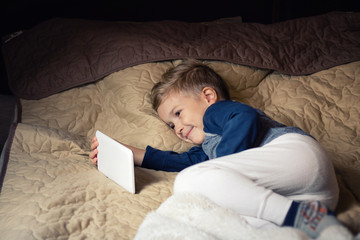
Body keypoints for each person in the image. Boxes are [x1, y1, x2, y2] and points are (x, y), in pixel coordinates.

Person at [90, 59, 345, 238]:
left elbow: (245, 117)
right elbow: (177, 162)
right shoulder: (208, 148)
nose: (177, 128)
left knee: (188, 184)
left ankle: (304, 219)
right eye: (170, 125)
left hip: (296, 154)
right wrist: (131, 154)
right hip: (313, 197)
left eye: (178, 114)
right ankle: (315, 226)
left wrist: (217, 163)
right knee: (239, 218)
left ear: (208, 96)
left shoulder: (217, 113)